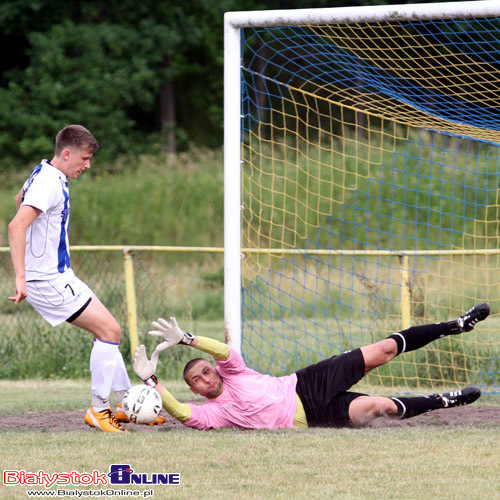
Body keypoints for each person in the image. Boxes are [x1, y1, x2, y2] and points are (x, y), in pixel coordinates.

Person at [8, 124, 164, 433]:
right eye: (84, 158)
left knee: (109, 331)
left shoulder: (46, 173)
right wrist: (22, 277)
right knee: (109, 330)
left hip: (60, 275)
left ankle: (124, 405)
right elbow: (16, 225)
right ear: (66, 154)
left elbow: (19, 198)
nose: (88, 165)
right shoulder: (49, 182)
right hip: (47, 279)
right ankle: (99, 410)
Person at [132, 303, 490, 430]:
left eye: (205, 370)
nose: (206, 378)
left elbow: (223, 350)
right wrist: (152, 380)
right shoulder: (214, 414)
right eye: (196, 380)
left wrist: (186, 339)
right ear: (194, 390)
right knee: (380, 407)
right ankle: (444, 400)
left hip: (306, 382)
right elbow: (180, 413)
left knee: (383, 348)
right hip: (314, 415)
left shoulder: (233, 370)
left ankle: (456, 326)